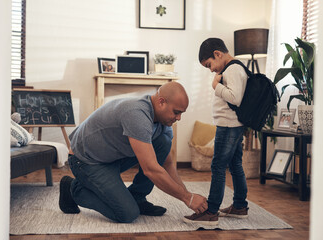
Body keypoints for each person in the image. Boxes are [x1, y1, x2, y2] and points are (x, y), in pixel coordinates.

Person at [59, 81, 208, 223]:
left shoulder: (164, 123)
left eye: (181, 113)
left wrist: (188, 196)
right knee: (127, 213)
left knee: (163, 142)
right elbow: (151, 169)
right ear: (161, 101)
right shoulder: (137, 114)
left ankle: (137, 197)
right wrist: (186, 197)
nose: (179, 118)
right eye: (176, 112)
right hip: (86, 161)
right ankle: (73, 188)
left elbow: (167, 164)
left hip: (111, 156)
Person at [184, 38, 249, 226]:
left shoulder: (233, 69)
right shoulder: (232, 69)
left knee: (218, 167)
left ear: (218, 54)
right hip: (232, 125)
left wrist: (216, 86)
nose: (211, 69)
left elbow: (235, 98)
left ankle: (211, 211)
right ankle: (239, 206)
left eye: (209, 65)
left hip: (228, 126)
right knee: (235, 165)